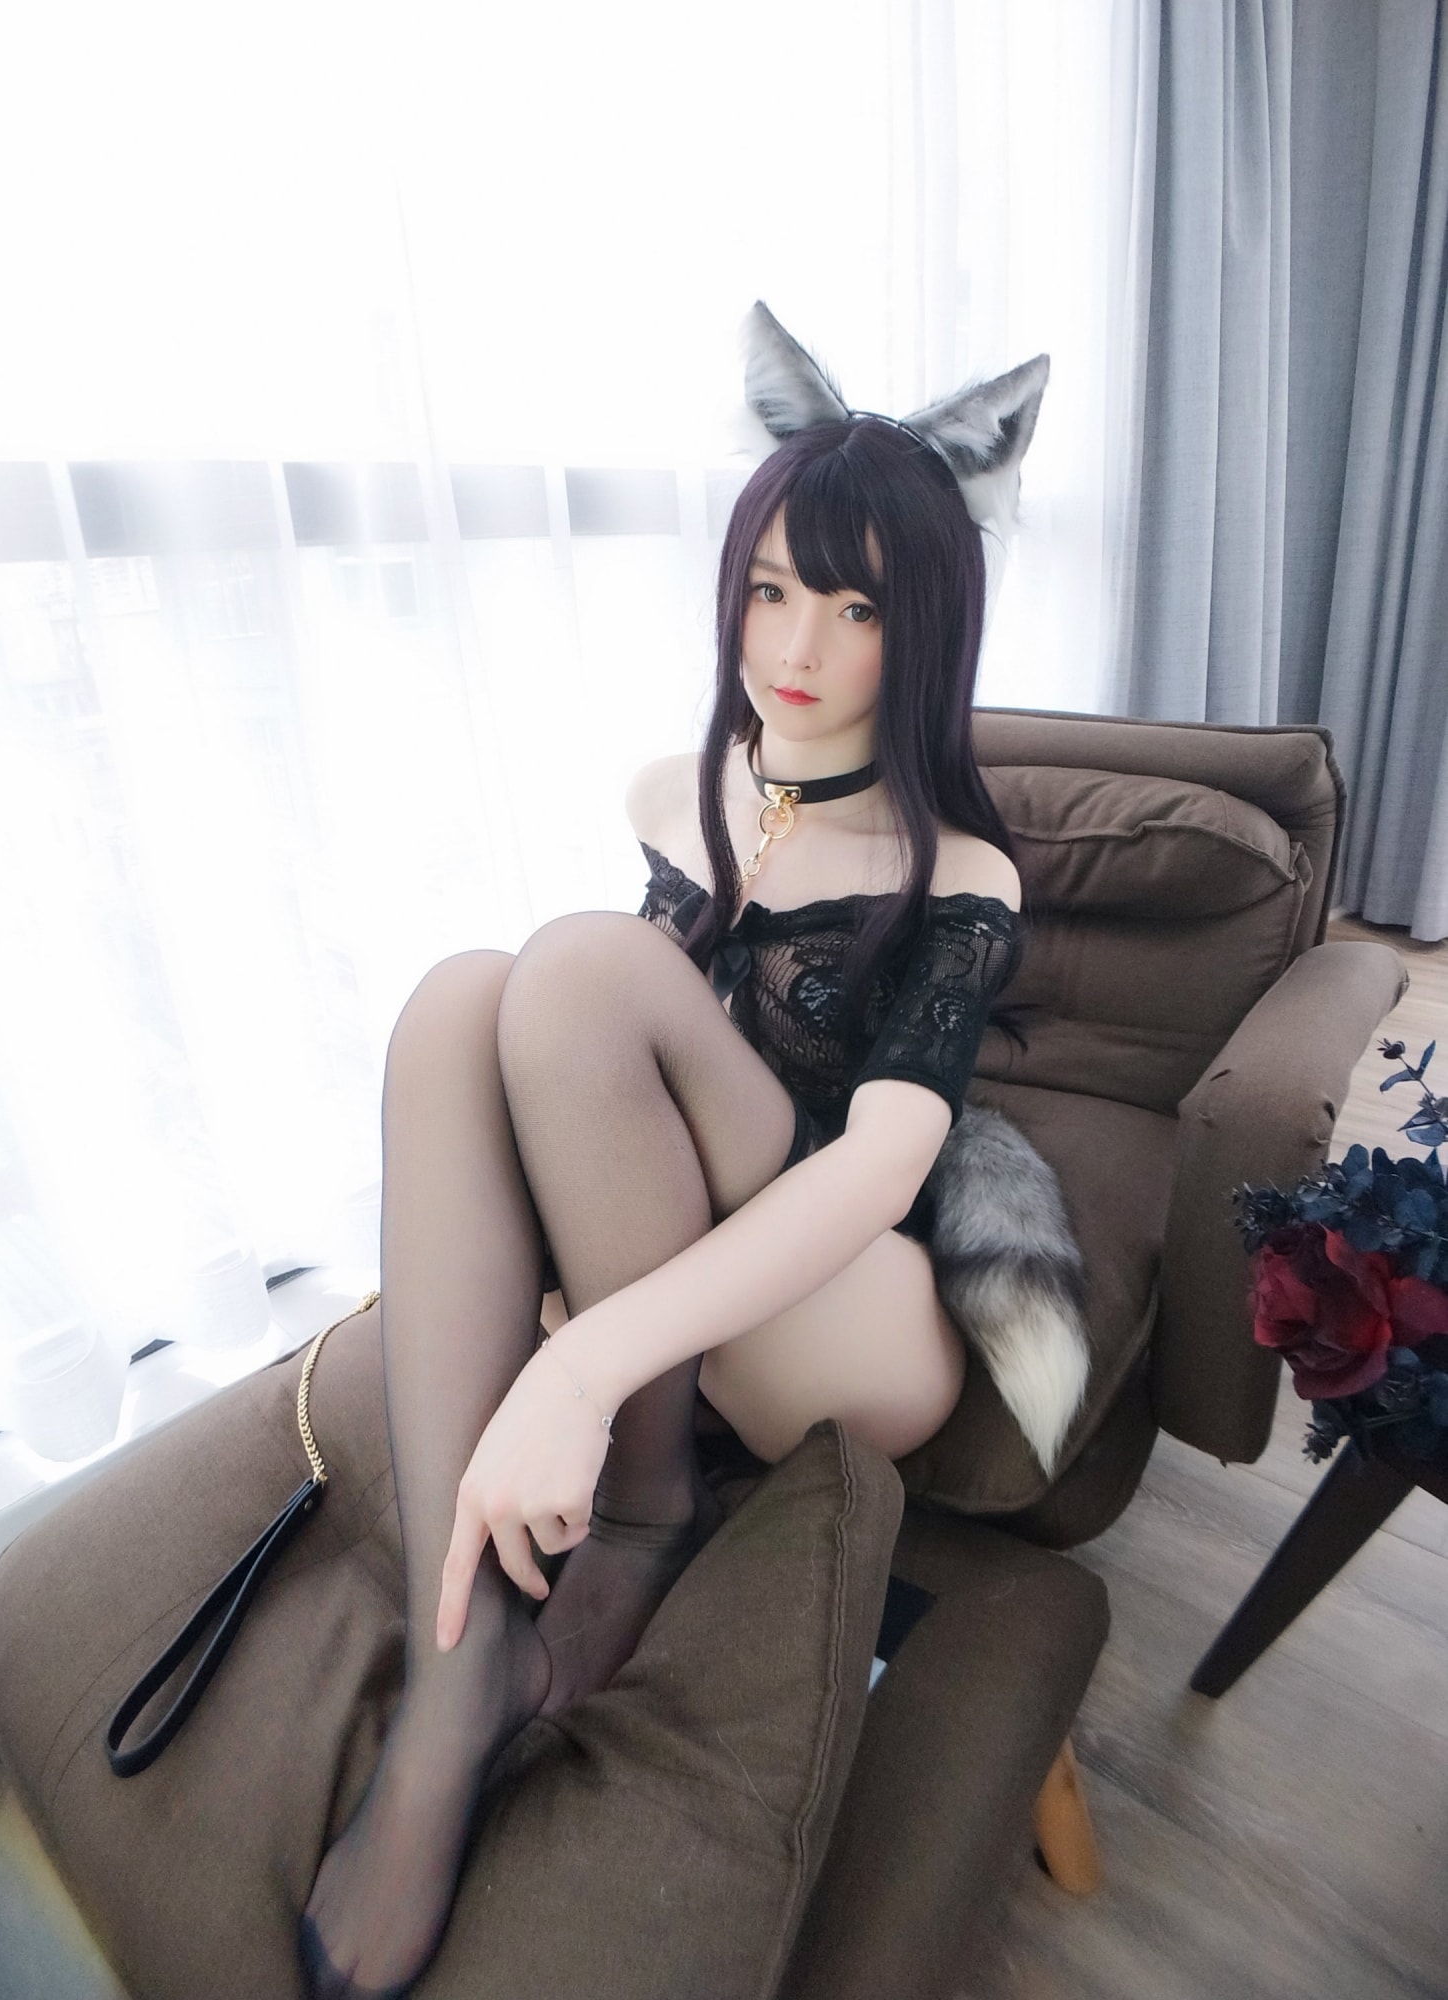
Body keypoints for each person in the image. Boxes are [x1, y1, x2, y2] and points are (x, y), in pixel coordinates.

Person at [299, 309, 1047, 2000]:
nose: (798, 644)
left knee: (573, 963)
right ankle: (459, 1676)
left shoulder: (963, 869)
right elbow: (588, 1072)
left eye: (859, 609)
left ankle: (644, 1505)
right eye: (772, 589)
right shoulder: (673, 788)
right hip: (694, 1255)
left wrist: (580, 1366)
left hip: (851, 1308)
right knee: (457, 1000)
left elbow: (879, 1171)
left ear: (928, 627)